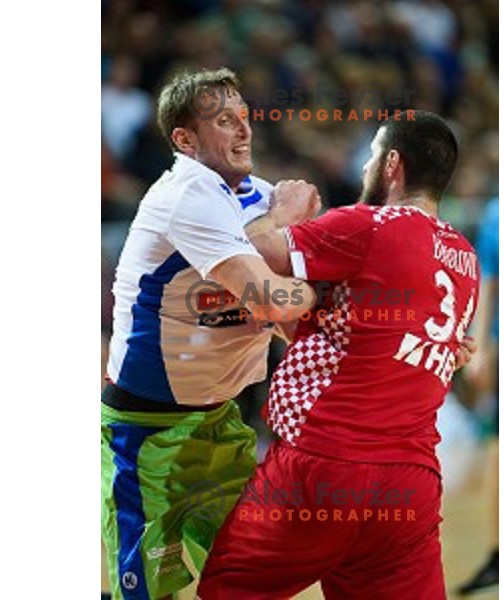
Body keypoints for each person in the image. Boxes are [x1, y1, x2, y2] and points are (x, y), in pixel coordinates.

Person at [198, 111, 481, 600]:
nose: (366, 166)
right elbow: (371, 337)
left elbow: (243, 254)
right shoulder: (464, 258)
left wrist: (284, 212)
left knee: (228, 590)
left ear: (392, 163)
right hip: (410, 484)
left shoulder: (368, 225)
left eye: (372, 155)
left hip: (325, 462)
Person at [101, 68, 320, 600]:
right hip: (146, 429)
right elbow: (278, 302)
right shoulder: (187, 194)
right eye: (225, 121)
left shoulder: (263, 197)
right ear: (185, 140)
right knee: (146, 593)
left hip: (220, 419)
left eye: (244, 117)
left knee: (254, 567)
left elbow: (299, 318)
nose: (244, 131)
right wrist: (290, 250)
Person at [458, 196, 499, 596]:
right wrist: (482, 347)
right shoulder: (497, 212)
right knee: (500, 450)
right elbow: (489, 280)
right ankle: (499, 552)